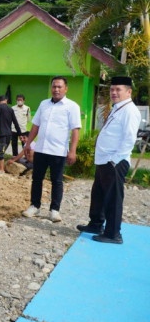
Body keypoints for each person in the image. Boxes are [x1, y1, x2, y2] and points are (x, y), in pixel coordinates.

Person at [77, 76, 141, 244]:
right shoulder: (117, 108)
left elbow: (129, 139)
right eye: (112, 89)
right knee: (98, 194)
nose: (114, 92)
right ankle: (96, 224)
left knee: (113, 197)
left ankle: (113, 234)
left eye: (118, 90)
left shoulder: (130, 111)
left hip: (114, 161)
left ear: (129, 92)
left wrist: (114, 160)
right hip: (105, 160)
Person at [22, 76, 81, 222]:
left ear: (65, 89)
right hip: (41, 149)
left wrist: (72, 151)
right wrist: (28, 144)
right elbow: (35, 126)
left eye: (59, 87)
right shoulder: (44, 104)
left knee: (57, 181)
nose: (56, 89)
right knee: (37, 179)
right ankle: (34, 206)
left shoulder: (72, 106)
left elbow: (75, 130)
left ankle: (54, 210)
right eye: (54, 86)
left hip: (58, 151)